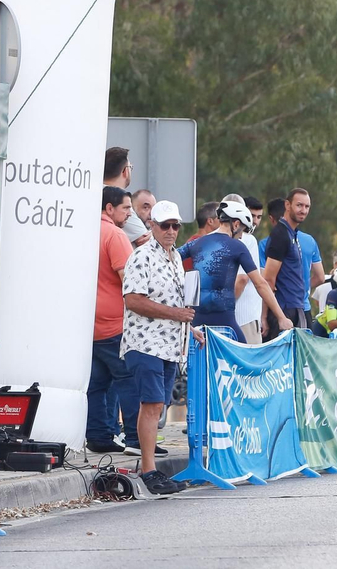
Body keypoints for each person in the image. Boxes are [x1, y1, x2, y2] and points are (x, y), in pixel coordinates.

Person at [121, 203, 193, 495]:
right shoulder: (141, 257)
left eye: (176, 226)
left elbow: (177, 305)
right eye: (165, 225)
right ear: (152, 225)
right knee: (151, 405)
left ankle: (151, 468)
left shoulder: (175, 258)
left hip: (169, 345)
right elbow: (133, 300)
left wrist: (190, 327)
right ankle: (148, 469)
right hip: (145, 342)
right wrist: (176, 315)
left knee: (158, 406)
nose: (171, 231)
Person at [181, 199, 289, 342]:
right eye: (243, 229)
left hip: (197, 319)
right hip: (224, 319)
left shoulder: (196, 243)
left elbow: (171, 257)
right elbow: (260, 284)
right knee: (244, 360)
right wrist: (281, 317)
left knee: (202, 363)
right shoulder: (237, 246)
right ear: (236, 224)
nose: (241, 235)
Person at [87, 185, 139, 456]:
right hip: (115, 323)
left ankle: (97, 435)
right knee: (128, 381)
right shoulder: (115, 235)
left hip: (87, 324)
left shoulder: (83, 231)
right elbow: (128, 282)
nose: (130, 213)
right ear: (109, 208)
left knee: (97, 383)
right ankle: (135, 438)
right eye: (126, 208)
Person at [261, 188, 319, 339]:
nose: (303, 210)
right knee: (281, 361)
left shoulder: (291, 233)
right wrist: (271, 316)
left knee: (301, 360)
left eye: (307, 207)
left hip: (297, 307)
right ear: (288, 205)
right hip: (284, 310)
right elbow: (267, 280)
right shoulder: (280, 235)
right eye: (299, 205)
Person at [231, 197, 265, 344]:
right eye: (251, 216)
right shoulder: (248, 240)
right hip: (244, 316)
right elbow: (242, 279)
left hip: (244, 315)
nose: (255, 221)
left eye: (259, 217)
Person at [102, 148, 148, 245]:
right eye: (131, 167)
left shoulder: (96, 195)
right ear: (125, 171)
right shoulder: (120, 202)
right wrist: (154, 235)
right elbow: (145, 240)